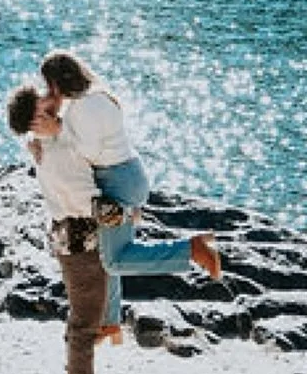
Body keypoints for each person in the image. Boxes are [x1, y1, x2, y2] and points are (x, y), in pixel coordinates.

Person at [38, 50, 222, 337]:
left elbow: (88, 151)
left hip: (115, 182)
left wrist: (58, 128)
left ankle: (192, 249)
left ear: (57, 83)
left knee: (114, 259)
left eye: (49, 85)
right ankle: (109, 321)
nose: (48, 92)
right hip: (128, 174)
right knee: (105, 251)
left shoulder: (82, 108)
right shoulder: (98, 96)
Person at [6, 84, 122, 374]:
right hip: (79, 241)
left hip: (71, 239)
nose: (50, 96)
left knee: (85, 316)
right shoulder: (54, 152)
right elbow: (85, 200)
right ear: (36, 116)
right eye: (43, 98)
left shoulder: (51, 144)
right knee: (86, 321)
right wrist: (124, 211)